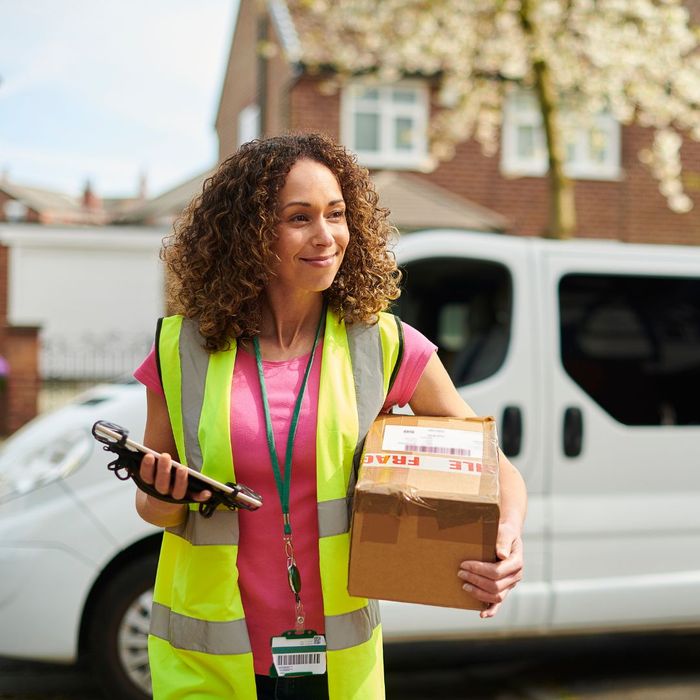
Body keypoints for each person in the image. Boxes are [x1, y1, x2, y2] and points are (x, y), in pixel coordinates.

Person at [133, 133, 527, 700]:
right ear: (249, 233)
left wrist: (507, 539)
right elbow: (153, 509)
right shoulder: (180, 350)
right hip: (209, 665)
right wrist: (167, 495)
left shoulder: (386, 345)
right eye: (300, 218)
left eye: (337, 215)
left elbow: (498, 470)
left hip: (338, 664)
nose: (326, 237)